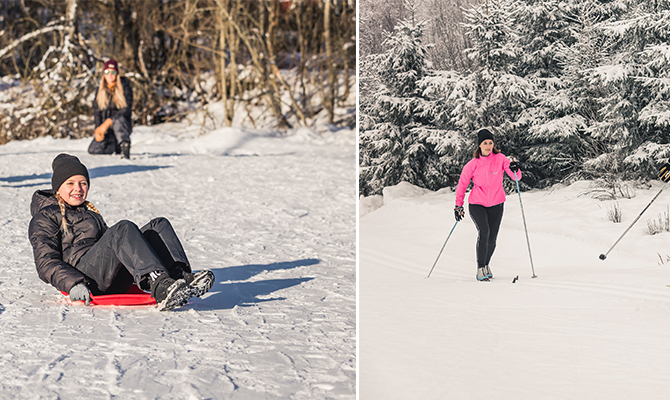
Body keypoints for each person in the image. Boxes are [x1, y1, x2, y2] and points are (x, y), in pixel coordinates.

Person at [28, 153, 215, 310]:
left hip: (108, 273)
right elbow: (46, 262)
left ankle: (179, 276)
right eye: (70, 183)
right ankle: (160, 287)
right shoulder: (45, 216)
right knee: (123, 228)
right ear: (58, 188)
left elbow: (114, 243)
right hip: (87, 278)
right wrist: (73, 283)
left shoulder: (89, 212)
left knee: (158, 225)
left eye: (83, 183)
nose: (78, 188)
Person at [454, 128, 521, 282]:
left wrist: (515, 169)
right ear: (479, 145)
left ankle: (486, 265)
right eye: (485, 143)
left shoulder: (501, 158)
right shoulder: (472, 165)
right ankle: (480, 268)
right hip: (477, 204)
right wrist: (458, 206)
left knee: (492, 238)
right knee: (484, 232)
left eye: (490, 142)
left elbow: (515, 177)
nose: (488, 145)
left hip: (497, 204)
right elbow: (462, 185)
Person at [88, 59, 133, 159]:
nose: (110, 75)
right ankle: (115, 145)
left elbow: (126, 109)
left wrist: (109, 121)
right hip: (106, 129)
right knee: (93, 150)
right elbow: (97, 112)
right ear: (104, 74)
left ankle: (124, 145)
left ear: (117, 74)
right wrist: (98, 129)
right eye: (107, 72)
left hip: (121, 127)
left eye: (113, 72)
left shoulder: (125, 87)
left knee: (118, 120)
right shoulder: (99, 90)